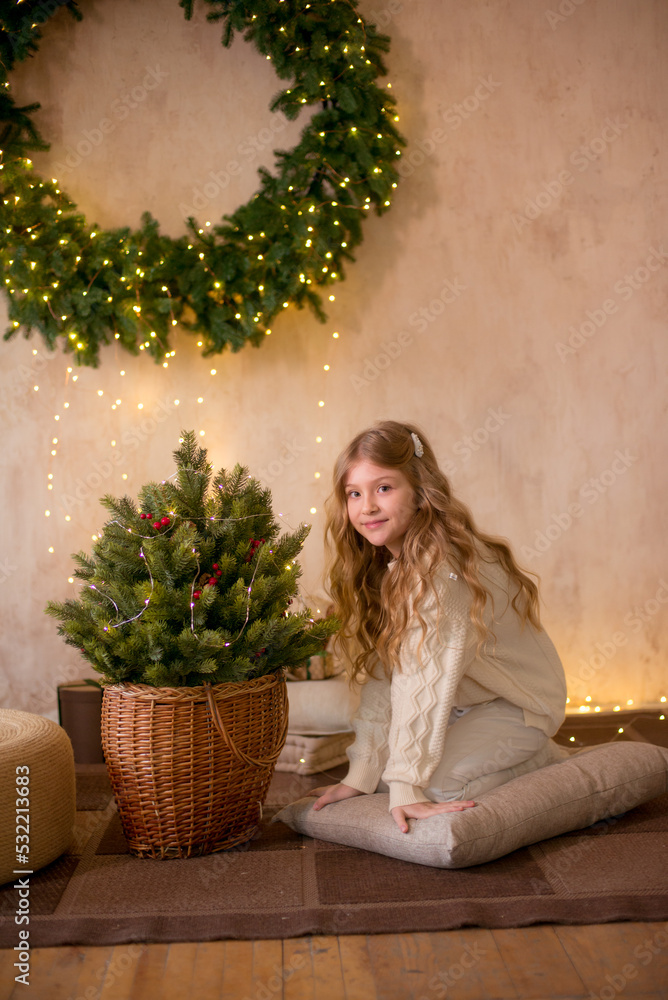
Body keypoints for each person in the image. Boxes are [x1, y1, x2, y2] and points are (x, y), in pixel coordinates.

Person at [309, 420, 568, 834]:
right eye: (354, 493)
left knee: (432, 787)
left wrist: (407, 786)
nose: (367, 507)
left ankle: (539, 758)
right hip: (459, 704)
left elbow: (420, 676)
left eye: (383, 488)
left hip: (516, 705)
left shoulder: (442, 569)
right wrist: (362, 773)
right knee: (384, 778)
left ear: (419, 490)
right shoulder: (385, 565)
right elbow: (385, 676)